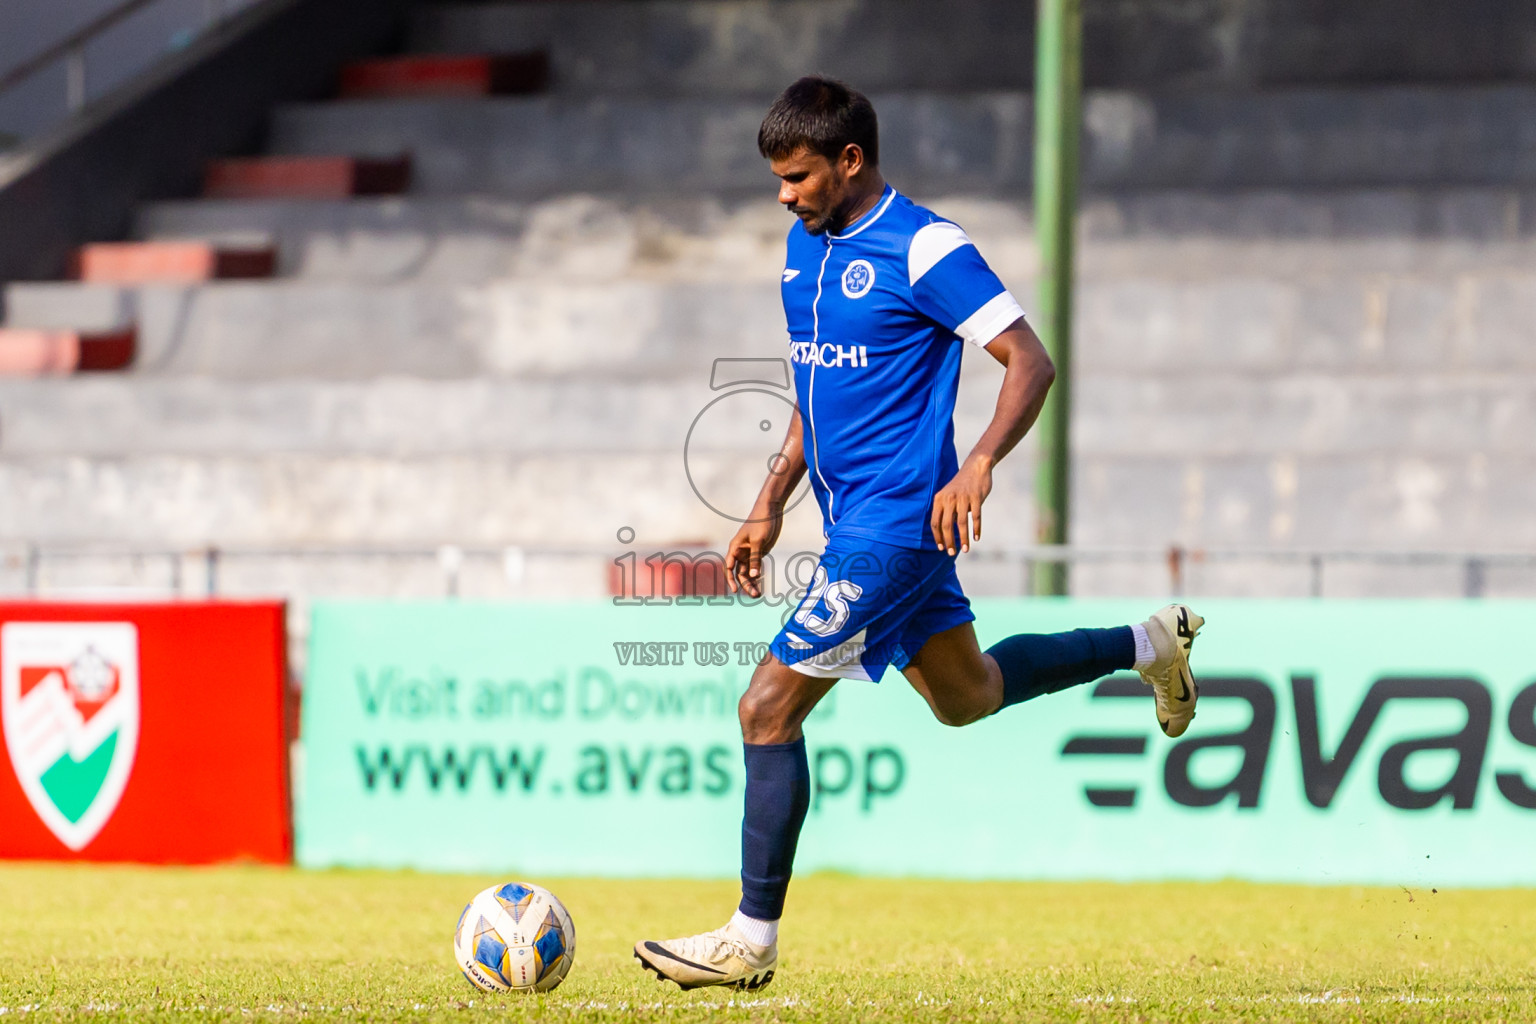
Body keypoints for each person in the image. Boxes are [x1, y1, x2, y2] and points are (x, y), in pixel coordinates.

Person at [633, 76, 1204, 992]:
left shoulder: (926, 245)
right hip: (850, 518)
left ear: (849, 161)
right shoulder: (802, 244)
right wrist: (771, 495)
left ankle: (751, 938)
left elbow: (1031, 359)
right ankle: (1149, 643)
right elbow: (818, 386)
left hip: (898, 524)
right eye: (778, 177)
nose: (784, 194)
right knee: (967, 696)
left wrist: (978, 463)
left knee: (765, 708)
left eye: (799, 175)